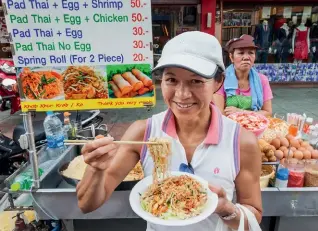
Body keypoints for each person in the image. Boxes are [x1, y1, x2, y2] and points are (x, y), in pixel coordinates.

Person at [77, 31, 262, 231]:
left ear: (218, 82)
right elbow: (87, 205)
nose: (182, 95)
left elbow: (254, 216)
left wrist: (226, 208)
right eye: (172, 80)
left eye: (196, 81)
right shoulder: (144, 132)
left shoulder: (241, 142)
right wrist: (96, 169)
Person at [214, 34, 273, 117]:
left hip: (255, 126)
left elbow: (267, 112)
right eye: (241, 53)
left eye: (251, 53)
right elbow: (219, 113)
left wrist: (241, 112)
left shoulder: (262, 80)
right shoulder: (221, 79)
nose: (246, 57)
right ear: (231, 57)